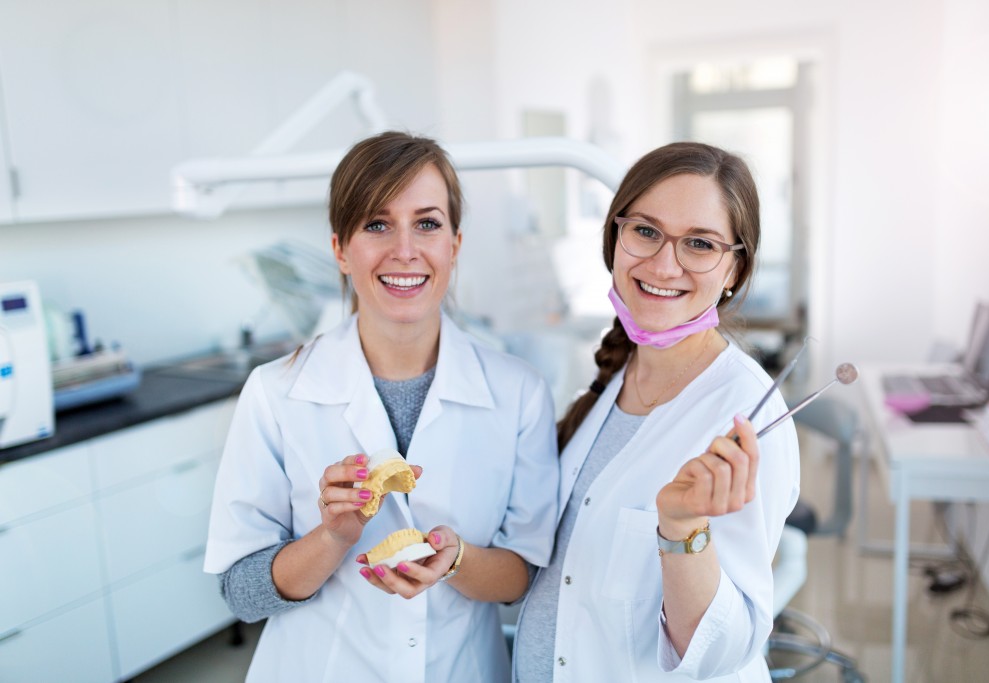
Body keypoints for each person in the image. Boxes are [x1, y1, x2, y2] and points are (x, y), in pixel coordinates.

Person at [204, 131, 559, 683]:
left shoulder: (519, 394)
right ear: (340, 250)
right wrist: (332, 538)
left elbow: (523, 577)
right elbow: (241, 592)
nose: (405, 250)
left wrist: (456, 559)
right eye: (376, 224)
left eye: (427, 224)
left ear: (454, 245)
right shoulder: (275, 392)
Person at [513, 142, 800, 682]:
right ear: (615, 238)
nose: (664, 265)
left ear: (734, 269)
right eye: (645, 231)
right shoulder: (618, 375)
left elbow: (722, 651)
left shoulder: (746, 415)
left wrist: (681, 527)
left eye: (700, 243)